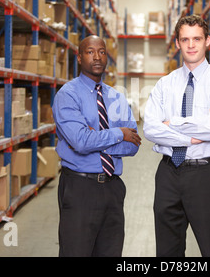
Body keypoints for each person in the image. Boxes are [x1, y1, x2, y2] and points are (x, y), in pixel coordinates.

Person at [143, 15, 210, 257]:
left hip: (204, 174)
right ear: (177, 43)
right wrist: (189, 137)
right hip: (168, 174)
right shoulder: (164, 84)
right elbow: (151, 128)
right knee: (167, 251)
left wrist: (171, 123)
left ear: (207, 41)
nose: (191, 45)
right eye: (185, 39)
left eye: (196, 38)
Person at [52, 35, 141, 257]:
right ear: (79, 57)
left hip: (113, 188)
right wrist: (118, 134)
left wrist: (95, 139)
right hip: (80, 187)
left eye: (101, 51)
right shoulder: (68, 95)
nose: (97, 56)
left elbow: (133, 146)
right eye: (90, 51)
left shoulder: (117, 98)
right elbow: (80, 142)